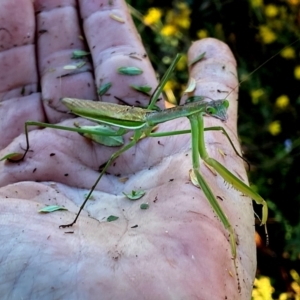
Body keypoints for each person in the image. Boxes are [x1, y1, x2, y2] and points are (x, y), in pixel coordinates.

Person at [0, 0, 255, 298]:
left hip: (136, 120)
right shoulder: (171, 119)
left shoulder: (199, 123)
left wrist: (235, 154)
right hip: (118, 119)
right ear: (202, 107)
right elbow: (110, 163)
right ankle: (73, 210)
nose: (217, 115)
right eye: (214, 109)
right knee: (47, 130)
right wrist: (73, 219)